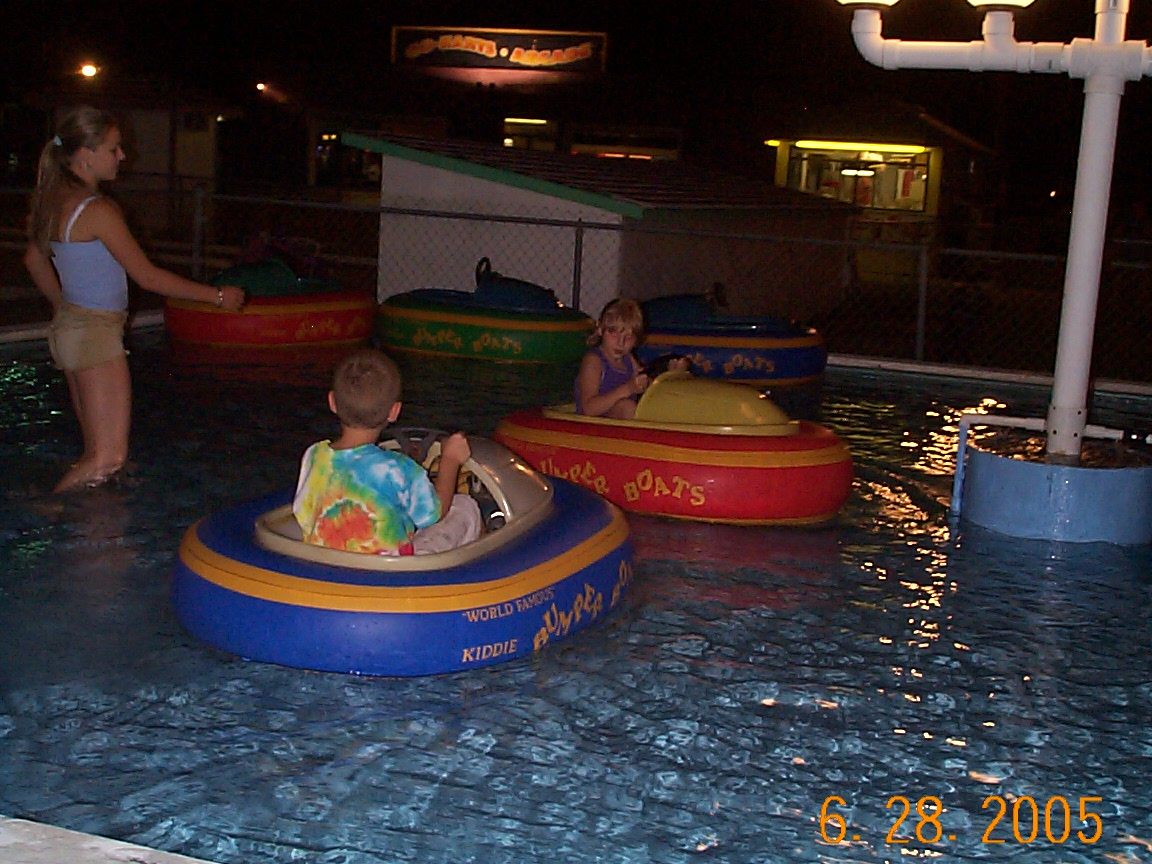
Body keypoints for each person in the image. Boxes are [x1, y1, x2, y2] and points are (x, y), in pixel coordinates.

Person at [23, 105, 245, 493]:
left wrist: (62, 306)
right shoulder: (97, 210)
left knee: (96, 453)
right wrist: (218, 296)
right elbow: (147, 276)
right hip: (93, 334)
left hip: (71, 329)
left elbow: (33, 259)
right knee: (108, 458)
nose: (122, 156)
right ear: (85, 155)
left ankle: (91, 521)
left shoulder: (52, 201)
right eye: (113, 148)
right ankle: (48, 511)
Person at [293, 348, 481, 556]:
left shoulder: (314, 456)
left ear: (332, 402)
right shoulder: (396, 468)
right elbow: (435, 513)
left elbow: (303, 511)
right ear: (394, 411)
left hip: (326, 565)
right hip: (389, 571)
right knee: (465, 507)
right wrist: (450, 460)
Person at [575, 298, 688, 419]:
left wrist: (670, 376)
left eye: (628, 337)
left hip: (617, 421)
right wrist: (628, 389)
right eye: (614, 333)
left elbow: (647, 389)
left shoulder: (629, 360)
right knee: (627, 407)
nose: (621, 343)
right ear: (600, 329)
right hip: (591, 425)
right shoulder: (594, 361)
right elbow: (588, 409)